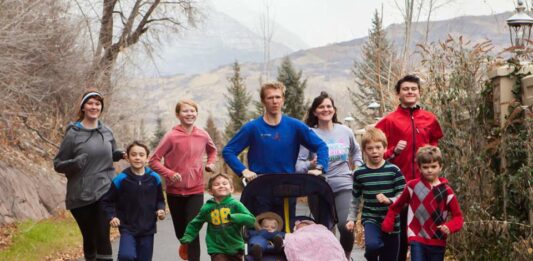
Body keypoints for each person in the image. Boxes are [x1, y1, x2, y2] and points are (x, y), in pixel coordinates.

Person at [222, 82, 329, 220]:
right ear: (263, 101)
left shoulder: (295, 126)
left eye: (278, 97)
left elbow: (322, 146)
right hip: (260, 188)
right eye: (270, 98)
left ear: (283, 99)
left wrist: (320, 167)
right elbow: (228, 151)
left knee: (286, 234)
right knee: (261, 233)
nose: (274, 101)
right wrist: (244, 171)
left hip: (287, 188)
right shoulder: (252, 127)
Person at [375, 74, 444, 261]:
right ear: (398, 94)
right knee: (399, 237)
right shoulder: (389, 120)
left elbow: (435, 142)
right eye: (405, 89)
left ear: (419, 93)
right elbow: (375, 149)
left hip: (425, 185)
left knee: (424, 235)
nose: (410, 92)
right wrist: (392, 152)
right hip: (399, 185)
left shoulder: (430, 119)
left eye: (414, 89)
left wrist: (433, 156)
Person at [53, 90, 124, 261]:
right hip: (81, 194)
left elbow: (112, 154)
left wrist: (119, 154)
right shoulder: (73, 133)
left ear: (101, 108)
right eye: (90, 103)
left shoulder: (107, 131)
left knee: (102, 235)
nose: (94, 107)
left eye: (97, 104)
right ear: (83, 107)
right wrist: (74, 163)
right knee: (89, 238)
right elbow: (58, 164)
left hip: (105, 190)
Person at [296, 91, 363, 258]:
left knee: (345, 226)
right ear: (314, 112)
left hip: (344, 184)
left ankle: (345, 256)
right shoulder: (309, 134)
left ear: (334, 110)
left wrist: (358, 168)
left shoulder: (345, 131)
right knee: (325, 230)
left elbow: (356, 152)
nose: (326, 109)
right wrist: (310, 165)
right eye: (321, 107)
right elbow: (298, 164)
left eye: (329, 106)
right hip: (318, 187)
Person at [149, 99, 217, 261]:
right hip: (174, 191)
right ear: (178, 115)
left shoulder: (202, 134)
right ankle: (184, 243)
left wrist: (210, 163)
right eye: (185, 111)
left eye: (192, 111)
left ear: (196, 114)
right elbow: (153, 161)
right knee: (181, 233)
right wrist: (170, 173)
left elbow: (213, 151)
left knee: (192, 230)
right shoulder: (171, 136)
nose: (190, 114)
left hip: (196, 190)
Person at [382, 145, 464, 261]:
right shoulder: (412, 187)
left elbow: (458, 217)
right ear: (419, 168)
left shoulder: (447, 191)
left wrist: (449, 226)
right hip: (416, 236)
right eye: (425, 167)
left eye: (433, 166)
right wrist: (389, 221)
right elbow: (396, 206)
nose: (429, 170)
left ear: (440, 167)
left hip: (438, 239)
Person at [345, 127, 406, 261]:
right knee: (372, 246)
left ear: (385, 148)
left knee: (390, 257)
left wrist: (390, 200)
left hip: (392, 221)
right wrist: (351, 218)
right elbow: (355, 198)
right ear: (364, 151)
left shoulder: (393, 171)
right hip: (371, 218)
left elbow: (403, 195)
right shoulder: (360, 173)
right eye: (370, 148)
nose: (374, 151)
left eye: (378, 147)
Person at [101, 141, 166, 261]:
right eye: (134, 154)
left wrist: (161, 210)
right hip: (127, 228)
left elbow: (160, 200)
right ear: (127, 158)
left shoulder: (154, 178)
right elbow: (106, 201)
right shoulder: (121, 179)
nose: (137, 158)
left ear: (147, 158)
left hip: (148, 229)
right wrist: (112, 217)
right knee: (126, 256)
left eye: (141, 155)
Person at [179, 173, 256, 261]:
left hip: (235, 245)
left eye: (224, 183)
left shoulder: (235, 204)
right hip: (216, 247)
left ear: (231, 189)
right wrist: (188, 235)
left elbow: (251, 220)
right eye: (216, 184)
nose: (221, 186)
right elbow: (196, 223)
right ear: (210, 191)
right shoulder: (207, 208)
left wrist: (235, 217)